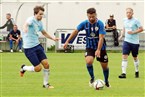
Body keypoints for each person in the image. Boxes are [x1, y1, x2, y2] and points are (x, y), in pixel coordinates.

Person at [63, 8, 110, 87]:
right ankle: (92, 78)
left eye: (93, 17)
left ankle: (106, 81)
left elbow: (101, 38)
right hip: (89, 46)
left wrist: (98, 49)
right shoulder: (84, 23)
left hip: (101, 47)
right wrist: (67, 41)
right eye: (89, 17)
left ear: (96, 15)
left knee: (104, 66)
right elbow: (75, 31)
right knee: (89, 61)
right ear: (87, 16)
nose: (91, 18)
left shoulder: (100, 24)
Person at [20, 6, 59, 88]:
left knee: (46, 64)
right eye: (40, 14)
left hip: (37, 45)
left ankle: (46, 84)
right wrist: (25, 28)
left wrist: (53, 38)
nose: (41, 16)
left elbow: (44, 32)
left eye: (42, 14)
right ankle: (24, 68)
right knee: (38, 69)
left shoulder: (40, 22)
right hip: (29, 48)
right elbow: (26, 24)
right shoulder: (31, 20)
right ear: (35, 14)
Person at [118, 8, 143, 78]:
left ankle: (137, 71)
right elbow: (124, 28)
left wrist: (133, 32)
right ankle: (123, 73)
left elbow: (141, 29)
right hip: (127, 41)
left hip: (135, 42)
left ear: (132, 13)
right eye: (127, 13)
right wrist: (121, 35)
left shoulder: (136, 21)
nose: (128, 14)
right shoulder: (124, 20)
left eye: (129, 12)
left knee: (135, 57)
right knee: (124, 56)